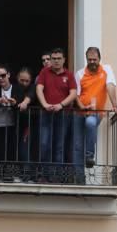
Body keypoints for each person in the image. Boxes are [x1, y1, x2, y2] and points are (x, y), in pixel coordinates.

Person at [73, 46, 117, 174]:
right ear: (86, 59)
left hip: (96, 113)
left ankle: (89, 156)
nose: (92, 62)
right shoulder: (80, 73)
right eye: (89, 59)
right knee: (77, 146)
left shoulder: (106, 69)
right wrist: (82, 106)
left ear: (99, 58)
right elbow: (76, 95)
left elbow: (110, 86)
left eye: (94, 59)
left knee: (90, 123)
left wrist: (115, 105)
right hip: (80, 113)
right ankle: (79, 180)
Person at [35, 49, 78, 183]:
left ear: (64, 59)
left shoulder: (69, 75)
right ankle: (44, 175)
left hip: (63, 114)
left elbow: (73, 94)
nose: (56, 61)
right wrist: (45, 104)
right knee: (44, 144)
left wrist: (61, 105)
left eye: (59, 58)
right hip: (46, 113)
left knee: (59, 146)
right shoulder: (44, 72)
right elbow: (39, 88)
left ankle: (56, 177)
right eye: (53, 58)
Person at [0, 66, 30, 182]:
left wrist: (15, 103)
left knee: (10, 151)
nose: (0, 78)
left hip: (11, 125)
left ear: (9, 75)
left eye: (3, 75)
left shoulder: (17, 88)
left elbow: (21, 102)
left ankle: (8, 176)